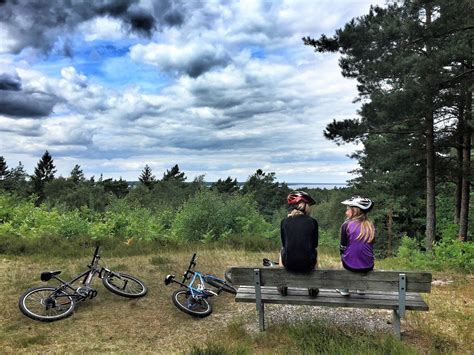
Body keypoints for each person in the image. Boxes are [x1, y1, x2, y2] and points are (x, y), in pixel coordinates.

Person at [279, 191, 319, 297]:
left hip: (288, 263)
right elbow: (315, 244)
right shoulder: (312, 222)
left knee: (282, 248)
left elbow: (284, 243)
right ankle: (313, 286)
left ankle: (282, 283)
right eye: (309, 205)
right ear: (302, 204)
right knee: (314, 250)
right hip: (308, 264)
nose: (310, 207)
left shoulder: (284, 222)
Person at [336, 196, 375, 296]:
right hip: (368, 265)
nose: (346, 212)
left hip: (349, 265)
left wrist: (342, 255)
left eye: (348, 209)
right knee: (361, 256)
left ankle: (344, 289)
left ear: (355, 211)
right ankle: (361, 288)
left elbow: (342, 246)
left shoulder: (347, 225)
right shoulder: (371, 225)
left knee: (344, 257)